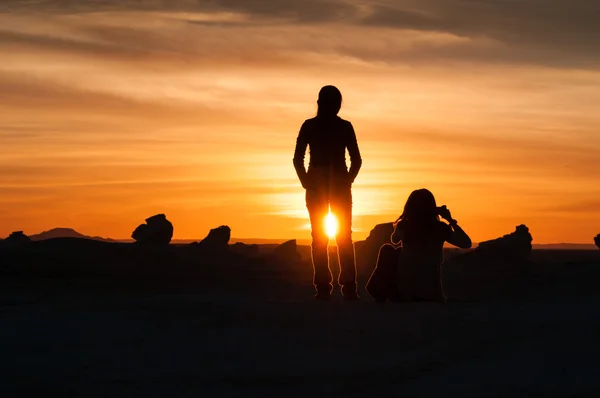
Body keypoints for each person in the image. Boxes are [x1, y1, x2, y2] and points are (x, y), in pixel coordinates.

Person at [293, 86, 362, 300]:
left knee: (323, 238)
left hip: (325, 182)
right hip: (331, 182)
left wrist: (308, 181)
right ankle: (343, 287)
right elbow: (357, 160)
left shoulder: (311, 126)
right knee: (340, 238)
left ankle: (327, 287)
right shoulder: (341, 127)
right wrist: (345, 180)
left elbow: (297, 159)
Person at [367, 189, 471, 302]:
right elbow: (466, 243)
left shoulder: (404, 226)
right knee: (398, 252)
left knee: (388, 250)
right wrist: (450, 220)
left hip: (405, 294)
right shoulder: (440, 228)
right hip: (432, 294)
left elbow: (394, 240)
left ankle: (379, 292)